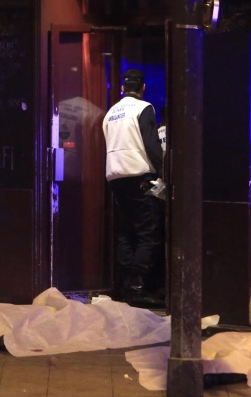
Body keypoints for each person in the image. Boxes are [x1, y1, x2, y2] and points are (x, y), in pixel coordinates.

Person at [102, 69, 164, 308]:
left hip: (116, 178)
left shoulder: (110, 113)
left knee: (126, 233)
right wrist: (163, 172)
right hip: (140, 177)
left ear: (122, 88)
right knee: (148, 232)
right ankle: (138, 288)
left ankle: (125, 287)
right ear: (143, 88)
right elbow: (151, 143)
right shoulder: (144, 108)